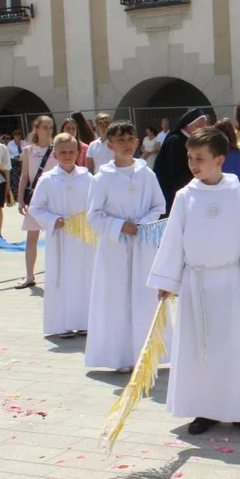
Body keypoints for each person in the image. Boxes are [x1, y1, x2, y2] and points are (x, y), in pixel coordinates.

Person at [149, 126, 240, 436]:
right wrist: (168, 279)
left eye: (200, 158)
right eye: (190, 158)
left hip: (228, 282)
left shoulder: (239, 196)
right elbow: (173, 238)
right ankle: (205, 408)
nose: (193, 164)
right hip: (195, 282)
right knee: (198, 347)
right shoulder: (185, 197)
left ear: (220, 160)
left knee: (233, 346)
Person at [86, 121, 167, 372]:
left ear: (137, 142)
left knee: (144, 296)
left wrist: (141, 224)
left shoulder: (147, 174)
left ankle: (148, 353)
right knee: (117, 297)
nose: (126, 144)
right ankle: (119, 355)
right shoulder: (102, 178)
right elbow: (93, 215)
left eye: (130, 139)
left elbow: (158, 206)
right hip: (115, 248)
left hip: (142, 244)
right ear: (110, 145)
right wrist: (120, 225)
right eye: (120, 140)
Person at [28, 133, 94, 339]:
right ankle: (62, 324)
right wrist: (53, 220)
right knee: (60, 278)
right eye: (62, 152)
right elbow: (36, 208)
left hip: (83, 238)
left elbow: (96, 205)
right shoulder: (47, 179)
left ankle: (84, 321)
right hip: (60, 237)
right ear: (55, 154)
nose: (67, 156)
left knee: (85, 277)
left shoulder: (88, 177)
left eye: (71, 152)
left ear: (77, 153)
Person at [15, 116, 57, 289]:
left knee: (55, 237)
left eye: (50, 127)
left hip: (54, 199)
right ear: (36, 129)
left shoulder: (57, 149)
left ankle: (56, 275)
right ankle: (30, 275)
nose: (48, 130)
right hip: (35, 199)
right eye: (45, 127)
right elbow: (24, 176)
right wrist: (20, 199)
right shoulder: (28, 151)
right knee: (32, 237)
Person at [155, 108, 212, 214]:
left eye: (205, 126)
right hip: (174, 193)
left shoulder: (190, 140)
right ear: (188, 126)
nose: (203, 129)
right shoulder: (175, 141)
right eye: (199, 126)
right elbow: (175, 173)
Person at [7, 129, 26, 197]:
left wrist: (21, 157)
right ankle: (16, 193)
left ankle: (25, 192)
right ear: (13, 136)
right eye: (16, 134)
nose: (17, 136)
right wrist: (15, 157)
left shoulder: (24, 143)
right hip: (14, 161)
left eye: (19, 134)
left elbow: (27, 151)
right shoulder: (10, 144)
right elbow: (8, 153)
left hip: (23, 160)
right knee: (15, 176)